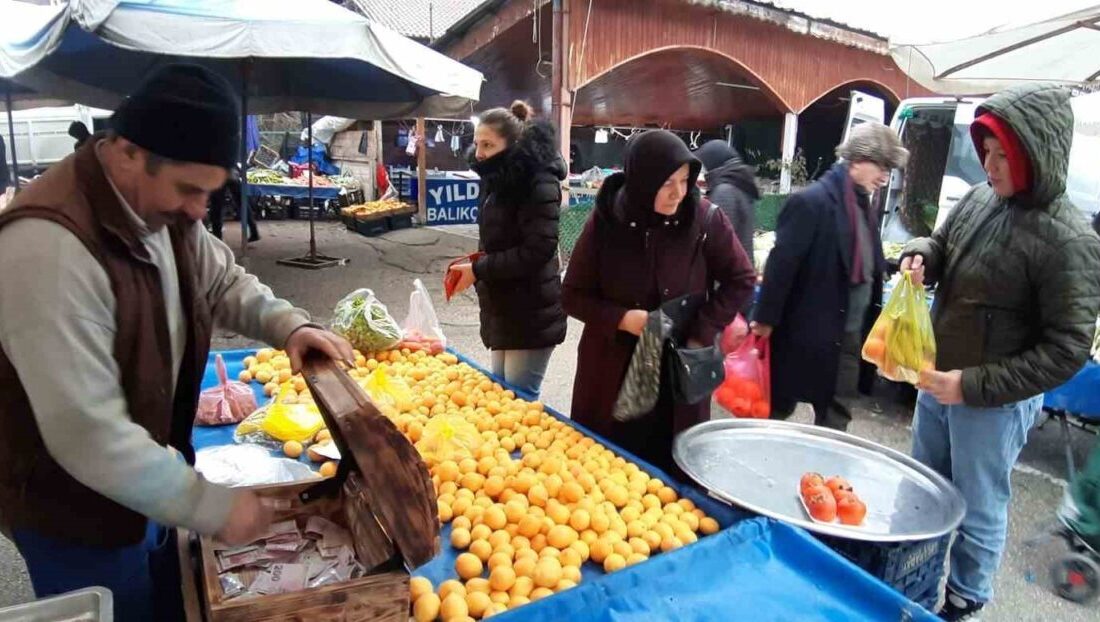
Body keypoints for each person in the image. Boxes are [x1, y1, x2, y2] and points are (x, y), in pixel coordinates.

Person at [0, 64, 355, 620]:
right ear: (127, 152)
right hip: (76, 512)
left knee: (171, 599)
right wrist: (208, 505)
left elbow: (222, 281)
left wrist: (290, 325)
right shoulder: (48, 248)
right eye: (189, 189)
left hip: (152, 475)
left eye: (209, 193)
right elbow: (88, 435)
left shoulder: (160, 210)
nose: (198, 211)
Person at [900, 83, 1100, 620]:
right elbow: (941, 245)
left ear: (1036, 154)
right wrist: (920, 256)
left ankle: (965, 600)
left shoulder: (1070, 241)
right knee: (922, 489)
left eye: (1001, 155)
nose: (988, 165)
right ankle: (912, 579)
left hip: (992, 404)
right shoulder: (977, 198)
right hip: (936, 380)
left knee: (978, 506)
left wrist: (971, 385)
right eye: (985, 151)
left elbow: (1066, 350)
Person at [562, 130, 756, 474]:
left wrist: (702, 330)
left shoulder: (704, 219)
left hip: (678, 373)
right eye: (667, 182)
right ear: (642, 180)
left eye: (685, 180)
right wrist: (622, 318)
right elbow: (572, 295)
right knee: (605, 471)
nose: (678, 192)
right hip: (613, 371)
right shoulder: (607, 221)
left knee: (673, 475)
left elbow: (741, 278)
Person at [752, 123, 908, 431]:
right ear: (857, 159)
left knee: (836, 419)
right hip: (805, 332)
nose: (885, 176)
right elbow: (781, 266)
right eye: (881, 166)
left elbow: (867, 262)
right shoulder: (812, 202)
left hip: (846, 337)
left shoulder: (862, 203)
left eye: (889, 169)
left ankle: (822, 466)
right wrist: (765, 320)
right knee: (776, 411)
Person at [446, 101, 567, 397]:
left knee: (518, 401)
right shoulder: (497, 178)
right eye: (477, 143)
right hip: (503, 307)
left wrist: (478, 269)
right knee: (501, 394)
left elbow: (537, 250)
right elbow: (497, 239)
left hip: (531, 310)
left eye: (488, 145)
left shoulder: (538, 181)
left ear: (514, 144)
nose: (479, 153)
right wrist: (474, 265)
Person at [695, 140, 760, 310]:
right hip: (742, 281)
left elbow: (717, 244)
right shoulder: (741, 186)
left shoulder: (724, 192)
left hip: (727, 288)